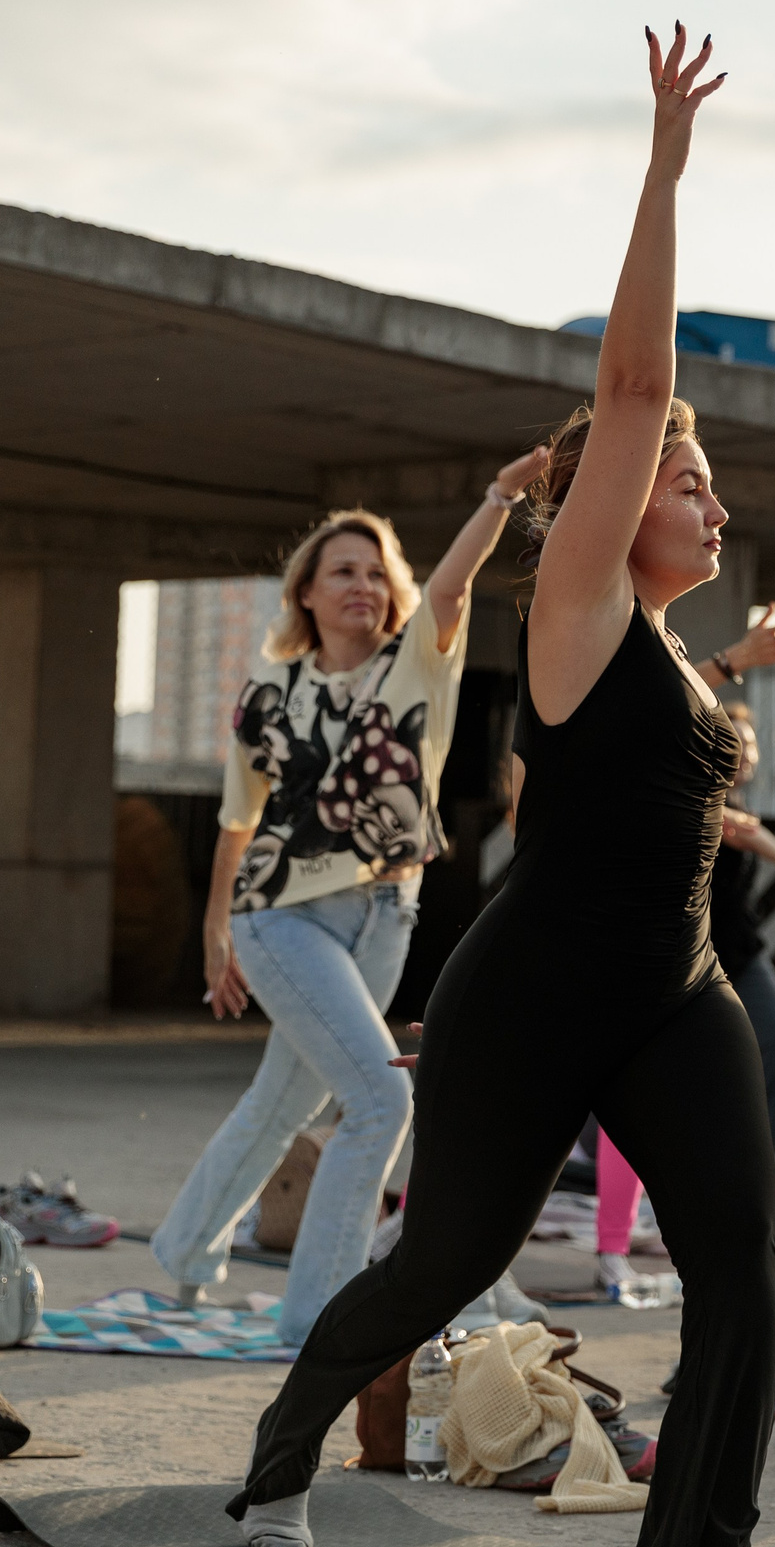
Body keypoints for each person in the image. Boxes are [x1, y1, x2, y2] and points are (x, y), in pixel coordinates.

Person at [227, 28, 775, 1547]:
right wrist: (668, 167)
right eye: (690, 480)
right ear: (617, 513)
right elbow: (632, 386)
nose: (711, 501)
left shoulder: (685, 659)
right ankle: (281, 1454)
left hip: (675, 990)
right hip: (532, 995)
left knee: (741, 1279)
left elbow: (666, 802)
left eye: (706, 483)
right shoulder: (580, 607)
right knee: (447, 1256)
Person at [151, 450, 542, 1343]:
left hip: (385, 917)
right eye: (342, 570)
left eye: (376, 571)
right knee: (379, 1100)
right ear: (308, 594)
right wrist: (218, 936)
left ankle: (181, 1251)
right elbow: (235, 823)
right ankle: (315, 1319)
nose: (362, 583)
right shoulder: (268, 692)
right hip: (280, 920)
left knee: (283, 1101)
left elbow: (450, 584)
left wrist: (500, 499)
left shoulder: (418, 663)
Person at [594, 703, 775, 1294]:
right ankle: (619, 1234)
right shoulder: (682, 794)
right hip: (667, 965)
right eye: (734, 742)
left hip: (735, 960)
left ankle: (749, 1179)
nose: (744, 753)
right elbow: (736, 829)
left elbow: (744, 827)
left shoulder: (739, 810)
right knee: (635, 1092)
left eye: (752, 745)